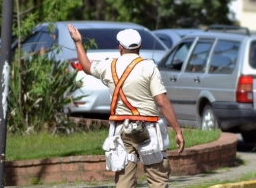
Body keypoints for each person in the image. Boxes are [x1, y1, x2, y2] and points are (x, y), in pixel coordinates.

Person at [67, 24, 185, 188]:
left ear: (120, 47)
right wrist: (178, 131)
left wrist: (78, 42)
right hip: (149, 130)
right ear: (140, 46)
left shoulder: (109, 66)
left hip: (121, 131)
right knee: (158, 181)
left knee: (124, 183)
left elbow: (86, 66)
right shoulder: (149, 66)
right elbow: (162, 102)